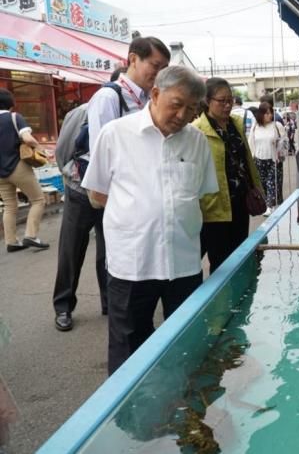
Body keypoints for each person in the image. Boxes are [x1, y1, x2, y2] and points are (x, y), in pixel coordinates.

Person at [82, 66, 218, 375]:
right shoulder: (115, 134)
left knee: (186, 342)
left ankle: (184, 410)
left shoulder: (196, 141)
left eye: (192, 108)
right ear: (155, 94)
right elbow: (98, 193)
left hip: (182, 262)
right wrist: (138, 215)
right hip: (133, 263)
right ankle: (129, 419)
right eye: (177, 104)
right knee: (128, 345)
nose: (183, 114)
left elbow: (199, 194)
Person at [52, 37, 170, 332]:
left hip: (120, 190)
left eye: (163, 67)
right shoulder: (109, 97)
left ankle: (109, 303)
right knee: (72, 249)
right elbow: (102, 152)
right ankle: (63, 306)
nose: (158, 72)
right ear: (133, 60)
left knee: (110, 249)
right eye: (155, 65)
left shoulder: (146, 99)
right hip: (87, 188)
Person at [193, 79, 263, 273]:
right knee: (221, 262)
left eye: (230, 100)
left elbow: (246, 160)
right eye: (222, 100)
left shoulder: (236, 124)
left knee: (238, 256)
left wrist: (256, 188)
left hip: (241, 203)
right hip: (214, 207)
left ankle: (237, 299)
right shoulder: (197, 129)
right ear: (207, 101)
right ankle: (222, 302)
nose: (227, 105)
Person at [0, 89, 49, 253]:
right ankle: (31, 235)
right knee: (38, 200)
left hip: (0, 173)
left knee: (9, 206)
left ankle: (11, 241)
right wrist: (41, 148)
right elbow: (27, 138)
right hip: (17, 166)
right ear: (11, 103)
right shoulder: (14, 117)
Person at [249, 102, 286, 216]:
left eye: (270, 113)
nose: (269, 116)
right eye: (266, 113)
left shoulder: (277, 125)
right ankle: (270, 204)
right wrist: (251, 157)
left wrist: (278, 142)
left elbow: (285, 141)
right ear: (261, 114)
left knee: (272, 183)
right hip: (259, 159)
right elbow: (251, 142)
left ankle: (270, 206)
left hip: (273, 159)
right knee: (263, 184)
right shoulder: (255, 126)